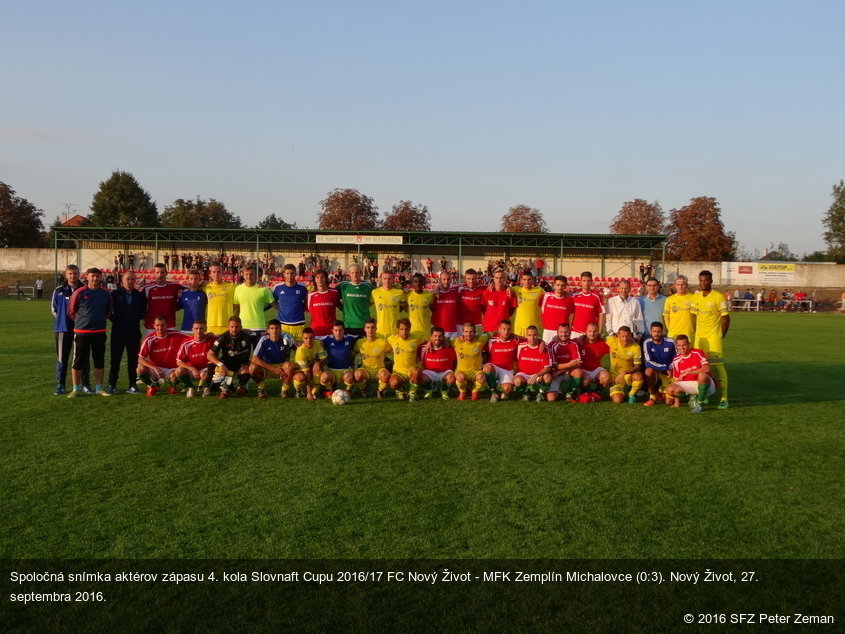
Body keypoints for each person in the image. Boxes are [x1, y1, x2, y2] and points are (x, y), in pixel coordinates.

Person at [67, 268, 113, 397]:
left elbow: (108, 311)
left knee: (99, 361)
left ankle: (99, 388)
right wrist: (82, 322)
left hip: (99, 332)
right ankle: (76, 389)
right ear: (87, 277)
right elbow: (71, 311)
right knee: (78, 361)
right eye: (93, 276)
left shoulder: (106, 293)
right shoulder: (79, 292)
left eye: (98, 276)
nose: (95, 279)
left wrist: (98, 320)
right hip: (82, 332)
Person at [691, 270, 731, 409]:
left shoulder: (718, 297)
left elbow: (726, 319)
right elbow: (694, 318)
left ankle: (724, 398)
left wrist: (721, 336)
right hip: (699, 339)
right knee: (700, 369)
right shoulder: (696, 297)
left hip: (713, 338)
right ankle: (705, 394)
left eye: (706, 280)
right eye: (701, 280)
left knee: (718, 367)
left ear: (711, 281)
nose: (703, 283)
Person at [51, 265, 89, 395]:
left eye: (75, 273)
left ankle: (85, 384)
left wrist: (80, 322)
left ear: (79, 274)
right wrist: (64, 320)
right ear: (66, 275)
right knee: (62, 358)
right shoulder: (59, 290)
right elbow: (54, 309)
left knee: (82, 357)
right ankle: (61, 385)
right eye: (70, 274)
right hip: (63, 329)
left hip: (81, 330)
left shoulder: (85, 290)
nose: (73, 276)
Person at [107, 269, 147, 394]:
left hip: (134, 332)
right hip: (118, 332)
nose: (130, 281)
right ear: (122, 280)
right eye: (127, 279)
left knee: (133, 360)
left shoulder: (140, 296)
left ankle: (132, 384)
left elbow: (143, 312)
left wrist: (133, 319)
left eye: (132, 279)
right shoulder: (114, 294)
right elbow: (109, 312)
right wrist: (118, 320)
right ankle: (112, 385)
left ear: (135, 281)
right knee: (115, 360)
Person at [664, 334, 715, 414]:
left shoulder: (697, 352)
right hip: (689, 384)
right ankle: (692, 397)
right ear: (676, 346)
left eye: (684, 345)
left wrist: (687, 372)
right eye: (679, 345)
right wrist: (676, 402)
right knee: (670, 390)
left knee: (702, 375)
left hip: (705, 383)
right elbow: (677, 380)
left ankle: (699, 405)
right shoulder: (676, 360)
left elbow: (706, 369)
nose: (682, 348)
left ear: (689, 344)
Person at [137, 316, 187, 396]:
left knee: (177, 374)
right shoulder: (149, 339)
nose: (160, 328)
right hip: (156, 368)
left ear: (166, 325)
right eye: (157, 325)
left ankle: (173, 387)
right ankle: (152, 386)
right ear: (154, 325)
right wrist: (155, 368)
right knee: (140, 369)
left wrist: (208, 335)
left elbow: (194, 338)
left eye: (162, 325)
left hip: (172, 369)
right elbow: (140, 359)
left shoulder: (176, 335)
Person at [207, 316, 254, 398]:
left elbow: (264, 333)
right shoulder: (223, 337)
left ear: (241, 327)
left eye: (237, 327)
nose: (234, 329)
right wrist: (221, 365)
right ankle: (227, 389)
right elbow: (209, 355)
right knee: (216, 369)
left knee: (248, 370)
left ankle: (242, 386)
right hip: (227, 364)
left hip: (242, 364)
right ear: (228, 327)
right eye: (232, 327)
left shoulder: (248, 336)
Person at [250, 319, 297, 398]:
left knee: (289, 366)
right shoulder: (264, 339)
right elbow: (254, 358)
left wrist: (294, 341)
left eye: (277, 328)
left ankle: (284, 390)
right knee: (252, 368)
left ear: (281, 329)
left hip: (282, 368)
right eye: (272, 328)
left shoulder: (286, 338)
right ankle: (261, 388)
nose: (274, 331)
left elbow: (299, 349)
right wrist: (273, 369)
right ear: (268, 330)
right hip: (267, 367)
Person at [173, 320, 216, 397]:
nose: (198, 331)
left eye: (201, 328)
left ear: (205, 329)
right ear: (192, 329)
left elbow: (225, 336)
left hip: (205, 369)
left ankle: (206, 387)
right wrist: (192, 369)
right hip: (191, 370)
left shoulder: (211, 340)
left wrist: (214, 335)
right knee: (178, 371)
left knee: (210, 367)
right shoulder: (186, 343)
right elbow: (178, 361)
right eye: (196, 328)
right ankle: (191, 387)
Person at [387, 318, 425, 401]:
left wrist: (429, 344)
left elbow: (426, 343)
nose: (404, 332)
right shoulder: (392, 339)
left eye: (406, 329)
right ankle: (400, 390)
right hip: (398, 371)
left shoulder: (416, 338)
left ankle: (412, 393)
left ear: (410, 328)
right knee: (393, 384)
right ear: (398, 329)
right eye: (401, 329)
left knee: (417, 371)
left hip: (411, 370)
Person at [317, 321, 359, 396]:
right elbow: (312, 338)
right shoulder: (327, 339)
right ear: (332, 331)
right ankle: (328, 390)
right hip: (331, 371)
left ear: (344, 330)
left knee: (349, 377)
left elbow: (363, 337)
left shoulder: (350, 338)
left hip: (346, 370)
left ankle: (348, 390)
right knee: (324, 377)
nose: (338, 333)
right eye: (335, 330)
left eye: (340, 330)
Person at [352, 318, 392, 398]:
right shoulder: (360, 342)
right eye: (368, 327)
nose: (370, 330)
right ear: (364, 329)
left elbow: (395, 353)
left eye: (373, 327)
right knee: (357, 375)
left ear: (376, 329)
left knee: (385, 375)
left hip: (379, 370)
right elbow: (353, 353)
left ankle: (380, 390)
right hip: (365, 370)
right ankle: (364, 389)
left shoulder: (382, 342)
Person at [484, 319, 522, 402]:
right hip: (494, 367)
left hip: (507, 369)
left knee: (507, 389)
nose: (506, 331)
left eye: (508, 329)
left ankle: (503, 391)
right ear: (499, 329)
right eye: (504, 329)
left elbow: (531, 340)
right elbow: (477, 340)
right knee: (487, 367)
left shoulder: (516, 340)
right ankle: (493, 392)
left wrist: (541, 342)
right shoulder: (491, 340)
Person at [605, 326, 644, 404]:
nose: (625, 339)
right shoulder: (611, 340)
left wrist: (624, 373)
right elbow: (596, 337)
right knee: (617, 401)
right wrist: (582, 337)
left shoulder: (636, 347)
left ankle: (631, 394)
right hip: (615, 376)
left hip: (627, 375)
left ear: (631, 336)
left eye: (627, 336)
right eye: (622, 336)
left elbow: (637, 366)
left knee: (638, 376)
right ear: (618, 335)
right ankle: (619, 389)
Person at [452, 323, 490, 401]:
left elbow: (495, 332)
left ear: (475, 332)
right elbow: (441, 338)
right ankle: (462, 392)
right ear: (462, 332)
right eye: (466, 332)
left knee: (482, 378)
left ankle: (474, 391)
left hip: (475, 372)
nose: (468, 334)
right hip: (462, 371)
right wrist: (429, 343)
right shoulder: (456, 341)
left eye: (471, 332)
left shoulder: (480, 340)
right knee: (460, 377)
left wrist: (513, 335)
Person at [513, 326, 552, 402]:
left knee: (547, 377)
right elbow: (508, 334)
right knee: (517, 381)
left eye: (534, 335)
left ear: (538, 335)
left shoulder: (544, 348)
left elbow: (547, 368)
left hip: (538, 375)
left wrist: (536, 375)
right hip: (524, 374)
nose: (532, 338)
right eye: (529, 335)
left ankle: (540, 393)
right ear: (526, 336)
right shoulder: (520, 345)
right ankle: (526, 392)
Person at [547, 323, 584, 402]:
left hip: (567, 372)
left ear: (570, 332)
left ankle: (570, 393)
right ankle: (557, 391)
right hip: (555, 375)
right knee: (551, 398)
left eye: (566, 332)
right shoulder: (552, 345)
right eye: (561, 332)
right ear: (557, 333)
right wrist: (570, 364)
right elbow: (553, 366)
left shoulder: (574, 344)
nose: (563, 334)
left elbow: (578, 363)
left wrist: (563, 370)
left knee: (578, 372)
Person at [641, 322, 676, 407]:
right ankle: (652, 397)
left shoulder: (671, 342)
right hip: (658, 370)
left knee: (669, 402)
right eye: (654, 331)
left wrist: (669, 367)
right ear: (650, 332)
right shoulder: (647, 343)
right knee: (648, 371)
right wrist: (665, 367)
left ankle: (662, 392)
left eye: (659, 331)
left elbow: (677, 359)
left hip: (670, 372)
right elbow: (648, 362)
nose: (656, 334)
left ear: (663, 332)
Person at [418, 326, 457, 399]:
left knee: (452, 378)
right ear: (431, 336)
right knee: (419, 377)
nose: (437, 339)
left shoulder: (449, 347)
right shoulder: (423, 348)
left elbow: (455, 362)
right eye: (435, 336)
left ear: (443, 337)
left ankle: (444, 388)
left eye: (440, 336)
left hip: (444, 372)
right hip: (429, 372)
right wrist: (429, 342)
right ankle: (429, 387)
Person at [233, 266, 274, 337]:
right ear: (243, 275)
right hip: (243, 327)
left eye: (251, 274)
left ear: (256, 275)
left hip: (259, 326)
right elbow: (236, 308)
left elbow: (274, 304)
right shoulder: (238, 289)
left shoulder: (263, 289)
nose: (249, 276)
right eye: (246, 274)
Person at [142, 263, 183, 333]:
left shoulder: (175, 286)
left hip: (170, 325)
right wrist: (143, 318)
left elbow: (192, 288)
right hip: (152, 325)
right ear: (154, 273)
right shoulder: (147, 288)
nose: (160, 275)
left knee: (170, 344)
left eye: (162, 272)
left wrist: (203, 283)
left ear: (166, 273)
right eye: (157, 272)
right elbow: (141, 305)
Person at [272, 263, 308, 342]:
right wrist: (278, 307)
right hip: (283, 325)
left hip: (299, 324)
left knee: (299, 352)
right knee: (284, 352)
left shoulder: (302, 288)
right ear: (284, 274)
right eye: (287, 273)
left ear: (295, 274)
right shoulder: (278, 288)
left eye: (292, 273)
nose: (289, 275)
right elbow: (272, 300)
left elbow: (307, 302)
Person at [337, 264, 373, 337]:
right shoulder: (343, 286)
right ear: (349, 273)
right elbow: (332, 296)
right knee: (350, 348)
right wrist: (342, 308)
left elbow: (378, 295)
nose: (355, 275)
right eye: (352, 273)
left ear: (360, 273)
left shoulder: (368, 286)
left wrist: (368, 304)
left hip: (364, 324)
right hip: (348, 324)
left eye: (357, 272)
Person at [292, 327, 327, 400]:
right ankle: (298, 390)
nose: (308, 341)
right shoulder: (300, 351)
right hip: (300, 370)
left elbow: (325, 359)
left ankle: (315, 391)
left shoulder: (317, 344)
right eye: (306, 338)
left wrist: (318, 363)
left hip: (310, 368)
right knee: (300, 378)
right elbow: (306, 372)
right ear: (302, 338)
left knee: (318, 369)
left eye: (311, 338)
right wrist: (308, 392)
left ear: (314, 337)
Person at [575, 322, 611, 394]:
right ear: (586, 331)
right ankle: (584, 391)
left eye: (594, 331)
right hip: (583, 370)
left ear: (598, 332)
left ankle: (597, 392)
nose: (592, 334)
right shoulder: (579, 341)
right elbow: (564, 341)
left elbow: (616, 344)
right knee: (586, 381)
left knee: (606, 377)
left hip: (596, 369)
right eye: (590, 331)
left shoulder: (602, 344)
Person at [539, 276, 575, 345]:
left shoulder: (570, 299)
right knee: (547, 353)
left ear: (565, 286)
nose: (560, 287)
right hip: (548, 331)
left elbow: (571, 316)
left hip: (562, 333)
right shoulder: (546, 296)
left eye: (562, 285)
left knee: (562, 353)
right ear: (554, 285)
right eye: (558, 285)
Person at [480, 269, 516, 336]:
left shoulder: (510, 293)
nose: (499, 280)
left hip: (504, 329)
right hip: (489, 327)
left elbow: (512, 310)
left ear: (505, 278)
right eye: (496, 278)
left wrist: (503, 314)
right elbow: (483, 310)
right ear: (493, 278)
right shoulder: (486, 292)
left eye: (501, 278)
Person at [571, 271, 606, 338]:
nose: (586, 283)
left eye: (588, 281)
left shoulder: (597, 296)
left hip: (590, 333)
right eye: (584, 281)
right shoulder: (574, 294)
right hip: (574, 331)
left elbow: (601, 314)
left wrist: (600, 331)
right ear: (581, 281)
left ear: (591, 282)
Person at [307, 270, 342, 337]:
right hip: (316, 331)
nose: (320, 279)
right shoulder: (310, 295)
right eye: (317, 277)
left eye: (322, 277)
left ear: (326, 278)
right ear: (315, 279)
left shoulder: (334, 293)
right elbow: (308, 309)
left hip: (331, 331)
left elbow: (339, 306)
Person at [372, 271, 406, 337]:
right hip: (380, 331)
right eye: (384, 279)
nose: (387, 281)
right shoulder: (375, 292)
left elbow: (403, 307)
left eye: (389, 279)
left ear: (393, 279)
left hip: (395, 331)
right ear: (381, 279)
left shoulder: (400, 293)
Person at [205, 264, 236, 335]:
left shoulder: (231, 287)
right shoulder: (206, 287)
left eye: (218, 272)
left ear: (222, 273)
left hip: (227, 325)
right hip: (211, 325)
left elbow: (245, 288)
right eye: (214, 272)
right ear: (210, 274)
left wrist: (260, 285)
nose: (216, 274)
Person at [662, 275, 696, 340]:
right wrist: (670, 329)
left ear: (686, 285)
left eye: (683, 284)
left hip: (689, 334)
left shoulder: (693, 298)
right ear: (675, 286)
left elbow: (697, 316)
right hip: (674, 334)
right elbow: (666, 317)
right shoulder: (669, 299)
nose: (680, 287)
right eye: (678, 284)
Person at [512, 272, 544, 338]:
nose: (527, 282)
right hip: (519, 326)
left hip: (534, 327)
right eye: (524, 279)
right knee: (520, 347)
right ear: (521, 280)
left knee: (534, 347)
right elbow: (503, 288)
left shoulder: (539, 290)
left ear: (532, 280)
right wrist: (492, 283)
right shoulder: (516, 290)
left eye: (529, 279)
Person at [177, 270, 207, 334]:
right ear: (188, 279)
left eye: (196, 279)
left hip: (200, 329)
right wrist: (177, 296)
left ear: (199, 279)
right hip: (186, 328)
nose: (193, 281)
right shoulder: (183, 294)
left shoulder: (204, 294)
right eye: (191, 279)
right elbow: (176, 307)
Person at [456, 269, 485, 336]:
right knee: (460, 345)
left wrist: (508, 287)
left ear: (477, 278)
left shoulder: (483, 288)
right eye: (468, 279)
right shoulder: (459, 288)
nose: (471, 281)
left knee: (477, 345)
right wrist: (437, 287)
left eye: (473, 279)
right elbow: (444, 287)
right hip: (461, 324)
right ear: (464, 278)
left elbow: (496, 286)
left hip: (477, 324)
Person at [407, 273, 434, 340]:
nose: (418, 284)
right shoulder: (407, 295)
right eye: (415, 282)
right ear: (412, 283)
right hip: (413, 332)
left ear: (423, 283)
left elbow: (433, 309)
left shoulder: (429, 295)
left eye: (420, 281)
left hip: (426, 332)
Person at [431, 270, 459, 337]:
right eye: (444, 279)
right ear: (440, 280)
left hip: (453, 331)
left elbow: (467, 284)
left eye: (448, 279)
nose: (446, 281)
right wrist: (436, 288)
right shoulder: (433, 294)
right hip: (438, 332)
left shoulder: (455, 291)